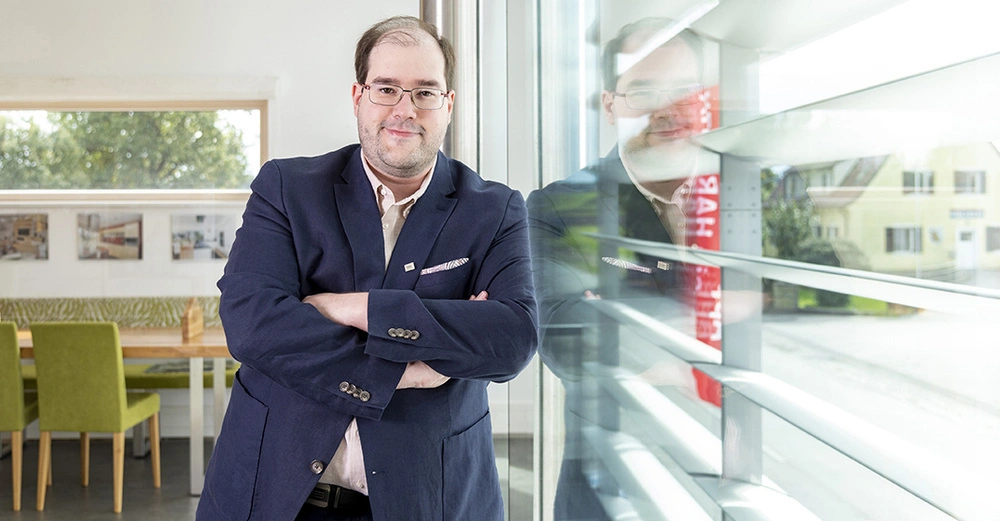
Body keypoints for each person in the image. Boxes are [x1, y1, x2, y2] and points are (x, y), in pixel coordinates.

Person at [197, 16, 538, 521]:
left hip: (430, 499)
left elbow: (511, 339)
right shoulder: (288, 189)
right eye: (386, 88)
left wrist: (352, 308)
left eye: (425, 92)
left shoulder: (495, 210)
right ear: (358, 96)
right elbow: (251, 324)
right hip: (275, 493)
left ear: (447, 105)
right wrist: (409, 371)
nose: (405, 109)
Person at [527, 18, 707, 521]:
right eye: (643, 91)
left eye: (684, 90)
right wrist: (711, 343)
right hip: (614, 487)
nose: (667, 108)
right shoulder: (562, 207)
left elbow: (813, 311)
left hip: (742, 478)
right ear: (610, 105)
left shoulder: (756, 200)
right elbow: (565, 333)